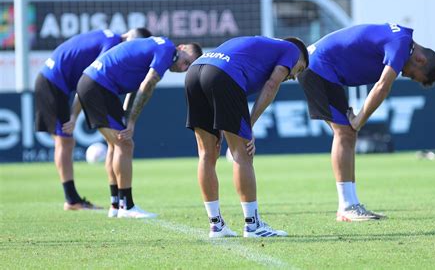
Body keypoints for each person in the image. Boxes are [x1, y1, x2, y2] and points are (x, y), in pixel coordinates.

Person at [297, 23, 435, 222]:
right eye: (413, 76)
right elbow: (382, 87)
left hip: (322, 67)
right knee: (346, 133)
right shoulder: (400, 45)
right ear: (420, 59)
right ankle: (347, 207)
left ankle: (351, 204)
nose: (406, 75)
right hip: (317, 67)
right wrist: (358, 121)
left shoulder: (402, 40)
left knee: (347, 135)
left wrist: (357, 123)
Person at [185, 36, 308, 237]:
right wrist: (248, 127)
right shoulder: (292, 49)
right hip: (222, 73)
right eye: (300, 69)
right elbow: (271, 86)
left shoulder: (262, 49)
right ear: (299, 56)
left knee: (206, 154)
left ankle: (216, 225)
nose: (294, 75)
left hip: (195, 71)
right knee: (242, 153)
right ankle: (253, 225)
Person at [77, 36, 202, 218]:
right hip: (98, 86)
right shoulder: (167, 52)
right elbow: (147, 85)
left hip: (93, 82)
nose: (183, 68)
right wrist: (132, 121)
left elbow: (135, 88)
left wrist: (128, 116)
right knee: (125, 144)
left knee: (116, 144)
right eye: (186, 62)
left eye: (188, 68)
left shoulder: (160, 48)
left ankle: (115, 204)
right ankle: (126, 206)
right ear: (181, 48)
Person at [35, 28, 152, 211]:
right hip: (52, 82)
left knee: (66, 141)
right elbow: (89, 80)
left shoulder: (109, 37)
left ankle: (73, 198)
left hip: (52, 80)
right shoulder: (112, 45)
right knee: (64, 141)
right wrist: (74, 115)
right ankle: (72, 199)